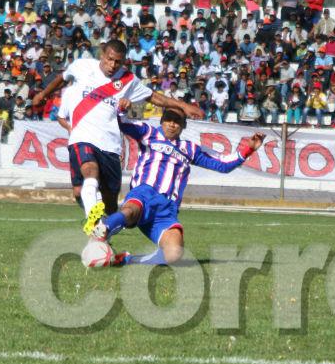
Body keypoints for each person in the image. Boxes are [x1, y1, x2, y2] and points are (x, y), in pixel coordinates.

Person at [31, 39, 204, 228]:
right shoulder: (82, 66)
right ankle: (94, 220)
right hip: (82, 137)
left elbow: (153, 97)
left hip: (110, 145)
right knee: (89, 173)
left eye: (118, 62)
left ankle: (106, 227)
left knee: (111, 202)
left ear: (124, 62)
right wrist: (43, 94)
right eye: (109, 59)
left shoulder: (128, 80)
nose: (112, 65)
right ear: (102, 54)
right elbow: (62, 78)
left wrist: (183, 105)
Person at [87, 108, 265, 266]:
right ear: (162, 121)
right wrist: (121, 110)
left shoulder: (190, 149)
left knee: (174, 255)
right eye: (168, 120)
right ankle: (102, 231)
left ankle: (127, 259)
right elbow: (123, 123)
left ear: (183, 125)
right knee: (131, 209)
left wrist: (247, 149)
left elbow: (223, 165)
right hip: (144, 192)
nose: (172, 125)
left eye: (177, 122)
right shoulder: (148, 133)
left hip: (167, 209)